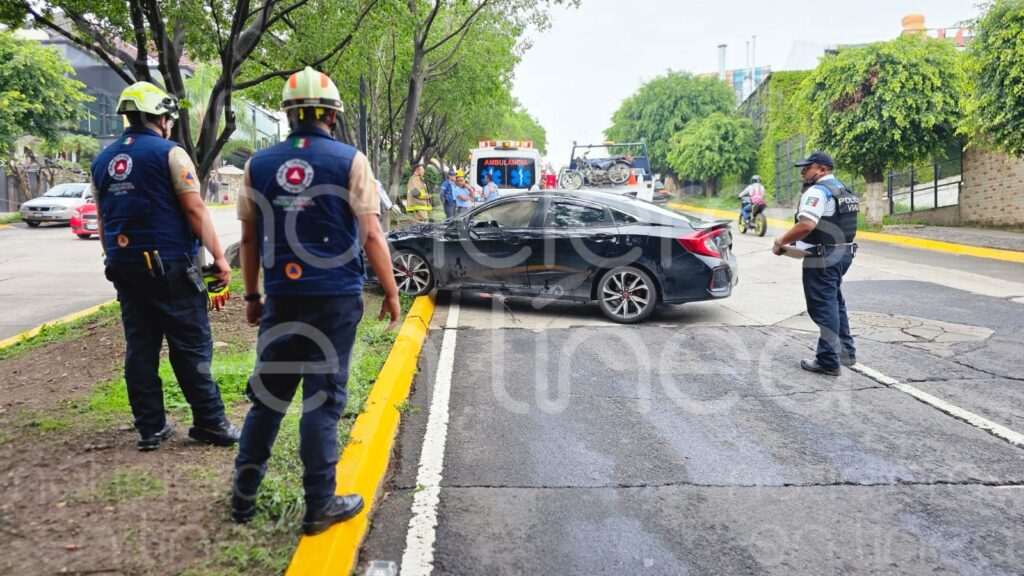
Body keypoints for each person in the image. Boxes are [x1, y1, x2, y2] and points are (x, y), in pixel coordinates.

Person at [231, 67, 401, 536]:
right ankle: (320, 504)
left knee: (268, 399)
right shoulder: (351, 161)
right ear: (332, 115)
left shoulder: (257, 165)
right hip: (334, 300)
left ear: (288, 115)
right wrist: (390, 291)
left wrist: (251, 295)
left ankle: (242, 498)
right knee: (321, 403)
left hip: (281, 300)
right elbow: (371, 234)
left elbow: (248, 238)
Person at [90, 81, 239, 452]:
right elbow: (194, 208)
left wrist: (114, 259)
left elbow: (104, 220)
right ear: (161, 118)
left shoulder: (102, 160)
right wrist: (219, 258)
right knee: (191, 347)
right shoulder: (171, 154)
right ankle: (211, 423)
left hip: (125, 268)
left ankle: (150, 428)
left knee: (140, 348)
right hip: (169, 268)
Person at [772, 151, 860, 376]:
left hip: (823, 258)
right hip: (844, 254)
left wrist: (781, 241)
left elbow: (807, 225)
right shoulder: (844, 190)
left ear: (821, 169)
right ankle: (846, 352)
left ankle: (828, 360)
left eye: (807, 167)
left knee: (823, 306)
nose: (803, 171)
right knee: (835, 301)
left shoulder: (818, 191)